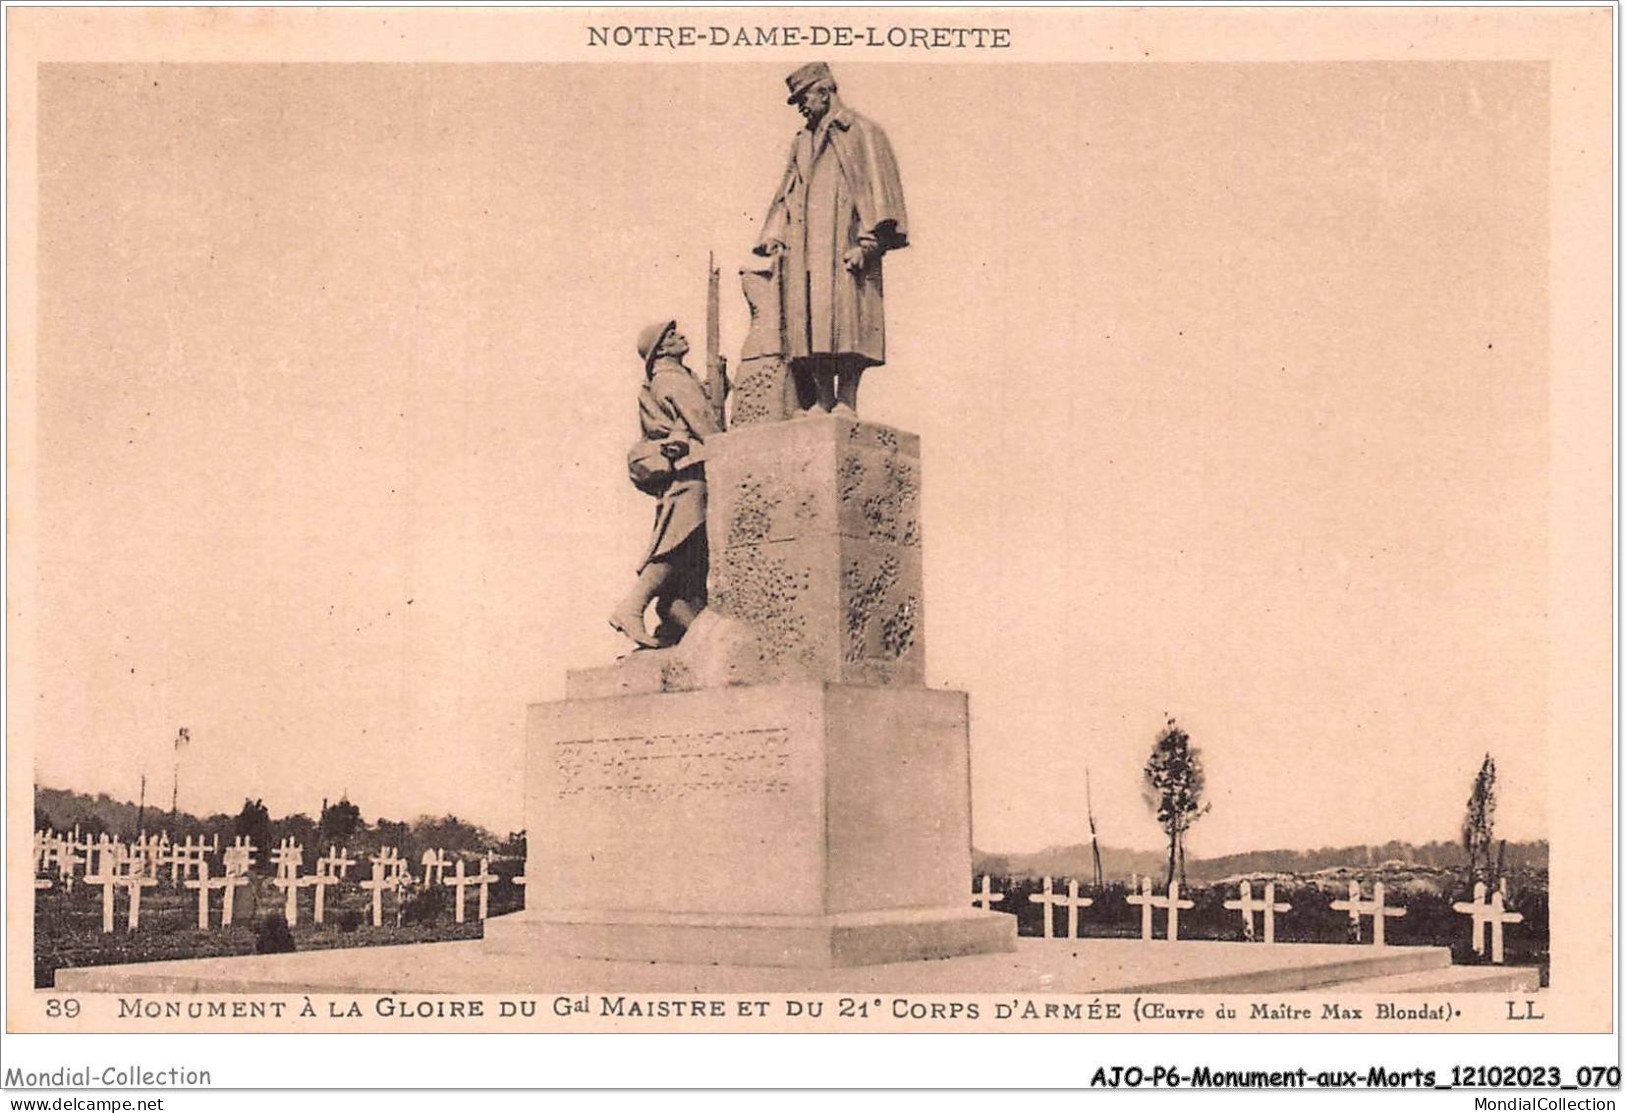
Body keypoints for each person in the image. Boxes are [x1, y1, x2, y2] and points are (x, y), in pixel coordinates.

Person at [755, 62, 908, 417]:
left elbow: (882, 195)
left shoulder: (862, 132)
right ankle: (823, 398)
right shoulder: (801, 142)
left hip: (844, 246)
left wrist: (868, 246)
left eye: (803, 98)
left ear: (825, 91)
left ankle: (847, 399)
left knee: (847, 324)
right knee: (808, 323)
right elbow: (786, 192)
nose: (801, 107)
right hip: (806, 248)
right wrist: (776, 236)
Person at [609, 320, 721, 648]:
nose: (681, 336)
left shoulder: (674, 380)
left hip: (690, 473)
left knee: (690, 557)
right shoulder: (672, 380)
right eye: (671, 335)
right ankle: (632, 606)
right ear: (660, 349)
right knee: (678, 542)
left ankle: (674, 620)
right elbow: (707, 428)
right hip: (692, 475)